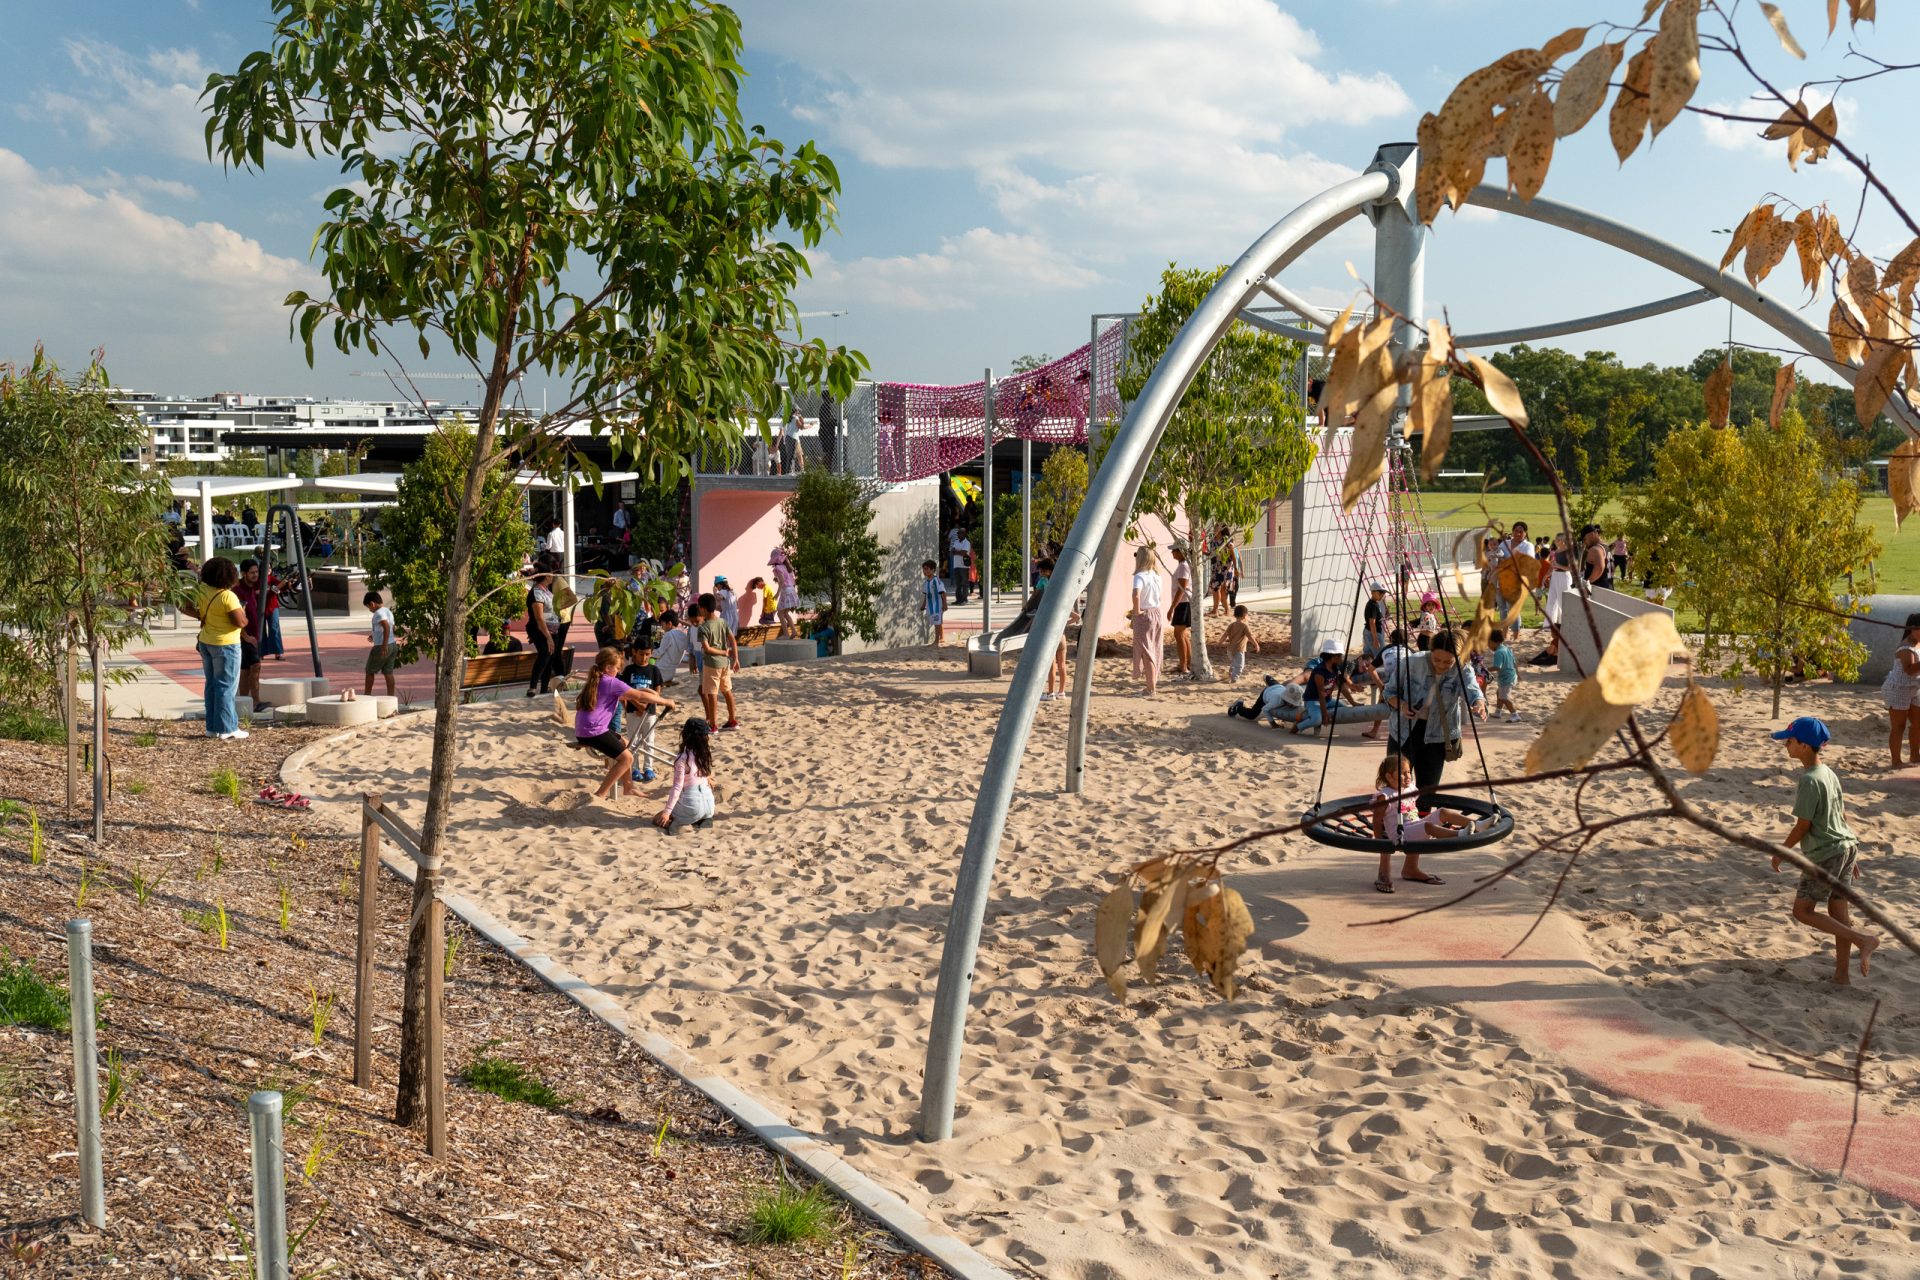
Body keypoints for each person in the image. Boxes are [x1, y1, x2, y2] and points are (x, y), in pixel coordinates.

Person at [1769, 716, 1877, 984]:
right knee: (1839, 913)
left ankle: (1863, 940)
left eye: (1790, 741)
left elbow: (1802, 826)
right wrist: (1849, 854)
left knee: (1802, 911)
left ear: (1805, 746)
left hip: (1826, 853)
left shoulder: (1808, 780)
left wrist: (1783, 851)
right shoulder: (1828, 772)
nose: (1786, 746)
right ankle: (1842, 976)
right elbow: (1841, 814)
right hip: (1845, 846)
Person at [1383, 629, 1486, 833]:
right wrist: (1402, 705)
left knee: (1427, 791)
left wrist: (1479, 703)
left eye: (1448, 663)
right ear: (1430, 651)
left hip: (1437, 735)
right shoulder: (1412, 663)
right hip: (1405, 730)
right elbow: (1389, 692)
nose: (1441, 666)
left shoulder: (1463, 669)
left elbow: (1473, 690)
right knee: (1396, 784)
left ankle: (1416, 831)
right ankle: (1394, 827)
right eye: (1437, 659)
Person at [1369, 754, 1480, 894]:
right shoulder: (1385, 797)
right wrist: (1379, 841)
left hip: (1414, 826)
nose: (1408, 776)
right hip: (1399, 835)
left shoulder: (1410, 789)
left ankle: (1477, 824)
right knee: (1427, 827)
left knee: (1442, 812)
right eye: (1402, 774)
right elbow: (1377, 818)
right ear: (1389, 777)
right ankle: (1459, 834)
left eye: (1408, 772)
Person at [575, 647, 667, 801]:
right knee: (627, 758)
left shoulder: (598, 679)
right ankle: (600, 794)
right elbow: (639, 695)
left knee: (625, 743)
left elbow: (635, 692)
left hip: (586, 729)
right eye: (617, 668)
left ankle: (628, 786)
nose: (618, 672)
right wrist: (666, 701)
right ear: (608, 668)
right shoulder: (611, 682)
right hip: (593, 732)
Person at [194, 558, 249, 740]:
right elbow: (240, 622)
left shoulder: (203, 591)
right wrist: (244, 613)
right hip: (226, 644)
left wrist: (203, 616)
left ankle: (212, 727)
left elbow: (185, 606)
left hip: (206, 642)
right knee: (226, 686)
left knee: (211, 685)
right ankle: (228, 727)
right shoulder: (228, 596)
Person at [617, 637, 671, 782]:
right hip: (632, 712)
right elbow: (624, 693)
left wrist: (649, 705)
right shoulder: (629, 670)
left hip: (650, 712)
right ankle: (634, 768)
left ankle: (648, 768)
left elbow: (657, 690)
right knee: (633, 741)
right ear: (634, 652)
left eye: (648, 654)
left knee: (648, 740)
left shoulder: (654, 670)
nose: (644, 657)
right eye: (641, 654)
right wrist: (635, 706)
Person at [654, 717, 716, 834]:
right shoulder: (703, 754)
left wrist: (667, 812)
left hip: (692, 804)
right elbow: (703, 773)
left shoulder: (682, 759)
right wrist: (707, 778)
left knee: (657, 818)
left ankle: (677, 825)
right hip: (709, 805)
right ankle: (704, 820)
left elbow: (677, 787)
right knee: (699, 811)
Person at [1880, 612, 1920, 768]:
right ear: (1912, 629)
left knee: (1918, 723)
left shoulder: (1918, 643)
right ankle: (1896, 761)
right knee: (1899, 726)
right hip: (1898, 689)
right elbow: (1910, 669)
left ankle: (1915, 755)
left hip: (1915, 688)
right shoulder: (1906, 648)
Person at [697, 592, 740, 730]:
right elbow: (732, 639)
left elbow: (707, 648)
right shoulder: (722, 622)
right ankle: (732, 720)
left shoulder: (703, 627)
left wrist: (722, 652)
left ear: (703, 609)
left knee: (712, 693)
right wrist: (735, 658)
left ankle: (713, 724)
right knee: (727, 691)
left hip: (711, 664)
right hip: (725, 664)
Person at [1129, 546, 1164, 697]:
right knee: (1155, 648)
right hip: (1156, 612)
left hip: (1145, 614)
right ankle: (1152, 685)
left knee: (1146, 651)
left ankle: (1150, 688)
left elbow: (1136, 594)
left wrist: (1136, 613)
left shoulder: (1140, 576)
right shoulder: (1157, 576)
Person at [234, 559, 269, 709]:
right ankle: (255, 701)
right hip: (244, 637)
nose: (255, 575)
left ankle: (243, 702)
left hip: (253, 636)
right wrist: (246, 636)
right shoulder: (238, 591)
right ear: (243, 574)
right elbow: (238, 616)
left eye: (257, 572)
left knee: (246, 669)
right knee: (256, 665)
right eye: (252, 572)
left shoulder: (252, 588)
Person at [525, 571, 560, 696]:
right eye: (551, 574)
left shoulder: (547, 591)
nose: (553, 577)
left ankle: (544, 688)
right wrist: (548, 637)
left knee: (550, 658)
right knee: (544, 654)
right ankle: (533, 687)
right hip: (541, 630)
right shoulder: (537, 592)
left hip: (553, 630)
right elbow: (539, 618)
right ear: (546, 576)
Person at [364, 590, 398, 698]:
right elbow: (393, 628)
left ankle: (367, 696)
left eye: (369, 607)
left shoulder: (378, 613)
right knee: (388, 672)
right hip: (393, 645)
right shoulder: (388, 611)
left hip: (381, 646)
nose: (370, 610)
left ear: (372, 603)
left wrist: (383, 645)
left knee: (369, 671)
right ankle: (391, 697)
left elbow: (386, 627)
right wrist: (374, 635)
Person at [1167, 545, 1194, 678]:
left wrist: (1172, 607)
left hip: (1183, 603)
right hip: (1184, 603)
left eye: (1175, 550)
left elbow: (1182, 588)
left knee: (1179, 635)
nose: (1172, 552)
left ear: (1181, 551)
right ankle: (1187, 663)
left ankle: (1184, 665)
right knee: (1182, 634)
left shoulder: (1184, 566)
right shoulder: (1184, 565)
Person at [653, 609, 692, 686]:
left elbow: (659, 653)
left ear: (669, 624)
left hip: (661, 671)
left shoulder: (668, 635)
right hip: (671, 672)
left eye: (662, 625)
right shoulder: (683, 634)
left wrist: (648, 653)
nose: (661, 627)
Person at [1489, 626, 1519, 722]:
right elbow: (1514, 662)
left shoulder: (1498, 652)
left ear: (1494, 642)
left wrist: (1486, 669)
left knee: (1504, 697)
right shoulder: (1507, 649)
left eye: (1488, 643)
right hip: (1511, 676)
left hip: (1506, 678)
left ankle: (1515, 714)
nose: (1488, 646)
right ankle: (1498, 712)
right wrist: (1518, 674)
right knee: (1499, 693)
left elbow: (1498, 667)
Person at [1221, 604, 1257, 682]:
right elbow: (1250, 637)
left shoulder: (1232, 625)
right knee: (1240, 665)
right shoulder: (1244, 626)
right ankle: (1234, 678)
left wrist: (1219, 642)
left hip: (1230, 649)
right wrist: (1256, 645)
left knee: (1234, 663)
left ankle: (1230, 674)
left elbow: (1225, 635)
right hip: (1239, 649)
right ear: (1245, 615)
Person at [770, 547, 800, 638]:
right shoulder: (787, 567)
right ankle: (793, 631)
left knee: (780, 614)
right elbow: (792, 581)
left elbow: (782, 581)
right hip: (791, 590)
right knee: (785, 613)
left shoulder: (777, 568)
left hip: (785, 591)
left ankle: (786, 635)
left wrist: (777, 594)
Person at [921, 559, 948, 646]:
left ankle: (936, 641)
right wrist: (923, 605)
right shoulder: (926, 583)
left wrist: (945, 604)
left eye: (927, 569)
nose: (925, 571)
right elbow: (926, 595)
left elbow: (943, 592)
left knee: (937, 623)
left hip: (937, 605)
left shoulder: (936, 581)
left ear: (933, 570)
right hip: (930, 606)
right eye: (924, 569)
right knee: (937, 622)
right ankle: (942, 638)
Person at [947, 525, 973, 608]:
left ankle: (964, 599)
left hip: (964, 566)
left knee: (964, 583)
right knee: (958, 584)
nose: (958, 535)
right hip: (956, 565)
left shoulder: (967, 543)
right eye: (958, 533)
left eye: (960, 533)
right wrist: (957, 552)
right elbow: (951, 552)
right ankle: (958, 599)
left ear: (964, 534)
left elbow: (964, 553)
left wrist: (956, 552)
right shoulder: (956, 542)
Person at [1362, 580, 1389, 660]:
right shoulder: (1373, 605)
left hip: (1368, 632)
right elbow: (1372, 623)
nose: (1382, 595)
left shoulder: (1374, 603)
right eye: (1380, 593)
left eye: (1383, 593)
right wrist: (1375, 639)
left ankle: (1366, 671)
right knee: (1381, 657)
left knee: (1368, 657)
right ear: (1373, 592)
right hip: (1373, 633)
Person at [779, 407, 803, 475]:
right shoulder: (795, 418)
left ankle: (790, 471)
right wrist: (801, 418)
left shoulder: (786, 419)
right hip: (794, 438)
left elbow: (781, 432)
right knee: (796, 455)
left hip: (787, 438)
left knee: (791, 456)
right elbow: (801, 427)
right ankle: (797, 470)